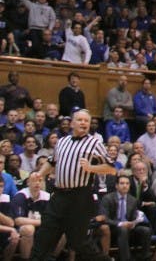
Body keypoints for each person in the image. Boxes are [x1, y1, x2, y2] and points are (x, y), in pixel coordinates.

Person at [28, 109, 117, 261]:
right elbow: (52, 162)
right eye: (80, 120)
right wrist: (40, 174)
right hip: (59, 196)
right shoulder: (62, 141)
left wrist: (91, 168)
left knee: (79, 242)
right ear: (72, 123)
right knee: (44, 237)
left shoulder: (94, 142)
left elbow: (112, 169)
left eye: (86, 121)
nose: (84, 123)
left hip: (80, 198)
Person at [95, 175, 152, 261]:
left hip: (128, 226)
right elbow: (104, 218)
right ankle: (126, 258)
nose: (125, 186)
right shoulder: (108, 198)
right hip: (113, 227)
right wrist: (121, 224)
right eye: (122, 183)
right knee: (123, 229)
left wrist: (134, 223)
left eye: (127, 183)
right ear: (116, 186)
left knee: (146, 230)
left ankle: (145, 257)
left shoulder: (133, 200)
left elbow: (133, 217)